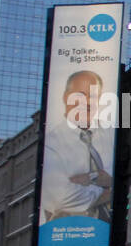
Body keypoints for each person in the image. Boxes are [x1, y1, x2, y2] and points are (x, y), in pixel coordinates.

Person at [38, 69, 115, 227]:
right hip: (67, 230)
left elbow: (123, 178)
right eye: (80, 95)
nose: (86, 102)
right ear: (66, 97)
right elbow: (60, 198)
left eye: (93, 96)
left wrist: (90, 180)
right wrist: (106, 189)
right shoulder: (51, 143)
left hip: (111, 231)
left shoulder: (112, 134)